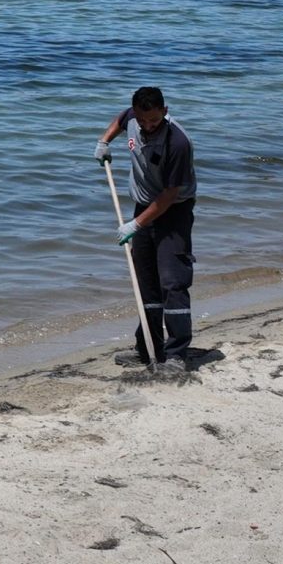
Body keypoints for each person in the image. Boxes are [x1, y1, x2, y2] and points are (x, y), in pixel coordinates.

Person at [95, 85, 198, 369]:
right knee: (146, 282)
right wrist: (104, 142)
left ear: (164, 112)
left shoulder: (177, 143)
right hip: (143, 208)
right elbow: (121, 118)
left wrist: (135, 225)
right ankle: (149, 348)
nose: (147, 126)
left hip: (173, 211)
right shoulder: (133, 118)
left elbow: (169, 196)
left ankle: (176, 354)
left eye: (154, 120)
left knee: (173, 281)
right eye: (142, 121)